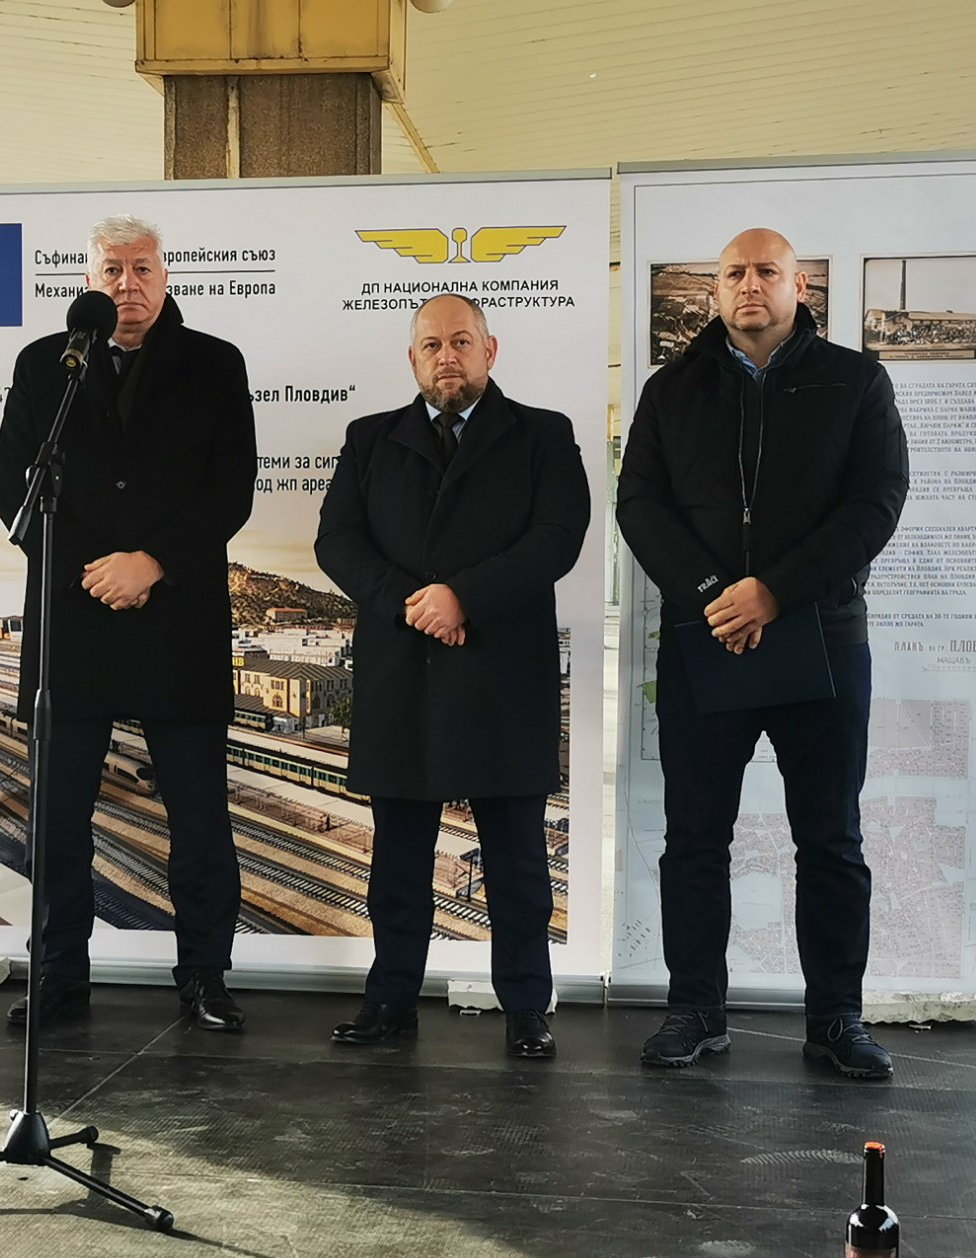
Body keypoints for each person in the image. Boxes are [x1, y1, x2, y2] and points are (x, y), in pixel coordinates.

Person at [617, 228, 909, 1080]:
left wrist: (774, 592)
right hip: (706, 639)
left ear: (798, 285)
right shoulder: (671, 389)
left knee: (831, 838)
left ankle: (836, 1019)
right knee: (694, 838)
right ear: (716, 290)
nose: (751, 284)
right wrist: (719, 595)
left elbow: (877, 501)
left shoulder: (856, 380)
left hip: (822, 638)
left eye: (767, 271)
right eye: (735, 273)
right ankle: (694, 1009)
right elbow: (640, 506)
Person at [0, 215, 257, 1033]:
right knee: (58, 820)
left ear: (166, 276)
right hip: (73, 624)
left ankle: (205, 977)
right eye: (112, 269)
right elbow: (14, 489)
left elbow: (230, 491)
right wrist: (96, 571)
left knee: (200, 820)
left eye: (142, 268)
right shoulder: (46, 364)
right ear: (89, 281)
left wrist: (151, 564)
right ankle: (58, 977)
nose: (127, 283)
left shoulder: (215, 363)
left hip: (178, 622)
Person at [315, 293, 590, 1058]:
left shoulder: (543, 434)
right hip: (404, 671)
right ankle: (390, 1002)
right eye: (432, 344)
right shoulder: (370, 439)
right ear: (413, 359)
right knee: (398, 865)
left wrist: (462, 596)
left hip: (503, 675)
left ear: (489, 351)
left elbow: (558, 537)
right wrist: (416, 605)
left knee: (518, 866)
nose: (447, 356)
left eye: (461, 341)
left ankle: (526, 1007)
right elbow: (338, 543)